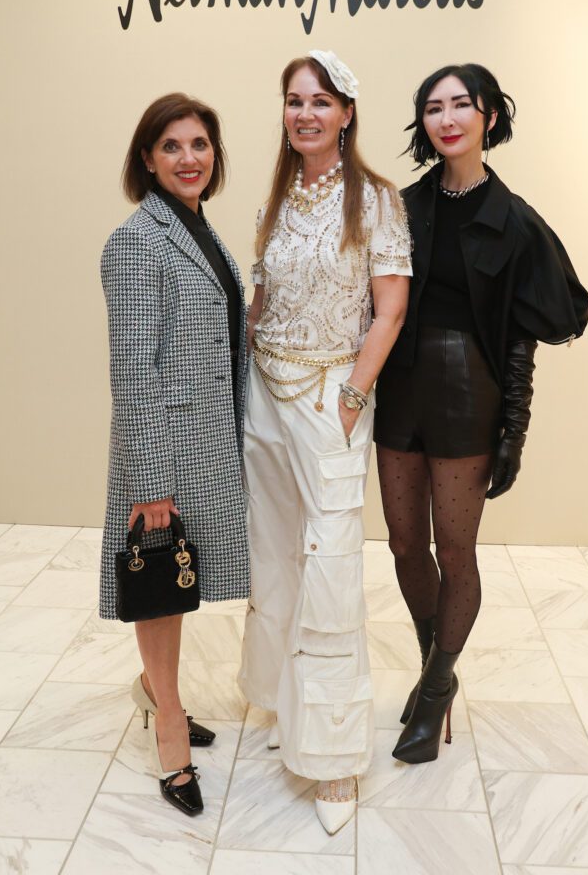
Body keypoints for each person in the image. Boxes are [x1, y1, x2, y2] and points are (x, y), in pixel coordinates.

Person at [374, 63, 588, 764]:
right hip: (399, 388)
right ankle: (434, 659)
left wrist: (513, 432)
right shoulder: (402, 206)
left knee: (454, 550)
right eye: (432, 108)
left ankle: (435, 687)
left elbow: (526, 336)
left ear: (489, 116)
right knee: (405, 546)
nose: (446, 119)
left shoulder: (514, 221)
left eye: (460, 105)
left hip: (469, 393)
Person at [237, 50, 411, 834]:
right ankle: (280, 704)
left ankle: (335, 759)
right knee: (272, 553)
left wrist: (351, 395)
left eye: (320, 101)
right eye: (292, 101)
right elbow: (261, 296)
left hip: (329, 398)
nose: (304, 113)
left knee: (332, 563)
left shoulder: (374, 200)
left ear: (346, 113)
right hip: (263, 397)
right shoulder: (276, 198)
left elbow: (389, 312)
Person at [100, 93, 249, 815]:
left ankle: (159, 694)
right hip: (165, 451)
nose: (189, 158)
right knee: (160, 589)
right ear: (146, 160)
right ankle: (167, 730)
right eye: (172, 147)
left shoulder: (198, 231)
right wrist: (150, 482)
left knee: (180, 583)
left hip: (207, 443)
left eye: (199, 144)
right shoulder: (135, 242)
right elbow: (134, 373)